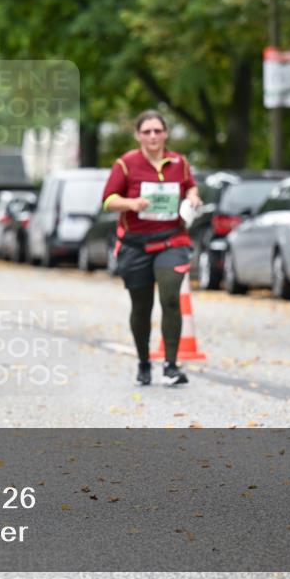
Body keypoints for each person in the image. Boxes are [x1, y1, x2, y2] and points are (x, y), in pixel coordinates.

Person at [102, 110, 202, 387]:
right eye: (147, 132)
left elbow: (191, 188)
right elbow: (108, 200)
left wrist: (193, 197)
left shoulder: (179, 162)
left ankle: (171, 365)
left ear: (165, 133)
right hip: (135, 244)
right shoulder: (125, 164)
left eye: (158, 131)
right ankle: (144, 361)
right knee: (141, 305)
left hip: (172, 241)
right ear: (138, 135)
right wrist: (131, 204)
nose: (153, 136)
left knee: (170, 298)